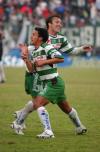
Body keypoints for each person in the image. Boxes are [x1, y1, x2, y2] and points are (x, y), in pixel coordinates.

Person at [11, 27, 92, 138]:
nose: (31, 36)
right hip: (52, 83)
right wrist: (26, 59)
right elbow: (31, 70)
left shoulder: (47, 47)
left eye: (34, 35)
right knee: (66, 108)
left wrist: (44, 61)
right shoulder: (35, 51)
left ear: (40, 38)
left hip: (54, 83)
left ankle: (48, 131)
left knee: (37, 103)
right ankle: (79, 127)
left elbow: (60, 58)